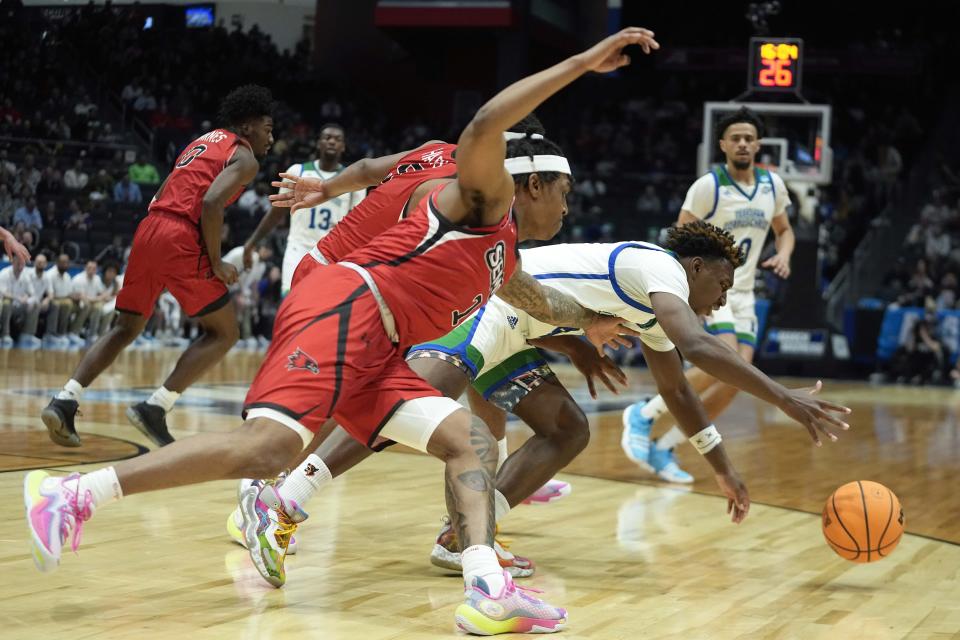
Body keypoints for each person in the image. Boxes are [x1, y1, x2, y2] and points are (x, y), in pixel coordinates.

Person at [24, 29, 661, 636]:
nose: (569, 207)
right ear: (532, 183)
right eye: (564, 194)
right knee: (270, 447)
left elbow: (536, 296)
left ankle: (486, 590)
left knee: (467, 439)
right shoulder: (486, 197)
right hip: (347, 304)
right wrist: (582, 63)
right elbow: (484, 124)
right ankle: (73, 496)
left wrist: (589, 322)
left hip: (380, 345)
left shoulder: (502, 250)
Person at [40, 85, 275, 448]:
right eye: (267, 128)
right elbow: (212, 203)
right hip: (179, 234)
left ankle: (65, 399)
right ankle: (156, 407)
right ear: (247, 127)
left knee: (126, 326)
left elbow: (165, 187)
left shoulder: (203, 141)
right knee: (225, 333)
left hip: (150, 226)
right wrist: (214, 262)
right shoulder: (245, 158)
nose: (271, 138)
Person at [622, 106, 797, 482]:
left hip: (746, 293)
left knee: (735, 381)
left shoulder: (772, 186)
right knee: (729, 357)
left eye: (749, 137)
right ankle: (645, 412)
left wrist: (783, 254)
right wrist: (684, 291)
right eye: (736, 137)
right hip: (712, 290)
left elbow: (784, 230)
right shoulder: (708, 186)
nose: (743, 143)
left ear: (759, 143)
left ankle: (665, 447)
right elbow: (679, 240)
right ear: (722, 144)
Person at [242, 124, 367, 294]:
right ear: (318, 143)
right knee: (290, 304)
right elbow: (276, 213)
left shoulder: (353, 180)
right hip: (298, 249)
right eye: (327, 138)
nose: (331, 142)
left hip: (332, 253)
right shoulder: (297, 171)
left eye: (337, 139)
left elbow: (357, 225)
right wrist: (252, 243)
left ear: (343, 146)